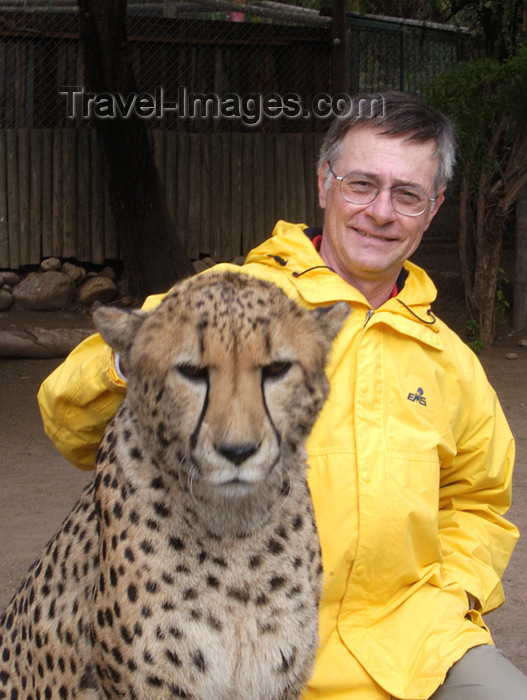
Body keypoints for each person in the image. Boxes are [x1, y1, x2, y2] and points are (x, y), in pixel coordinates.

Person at [37, 91, 527, 699]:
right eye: (361, 184)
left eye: (407, 195)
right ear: (324, 183)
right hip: (246, 642)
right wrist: (151, 351)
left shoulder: (450, 359)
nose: (381, 211)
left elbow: (480, 499)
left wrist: (455, 594)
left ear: (433, 209)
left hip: (415, 648)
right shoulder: (230, 298)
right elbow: (68, 418)